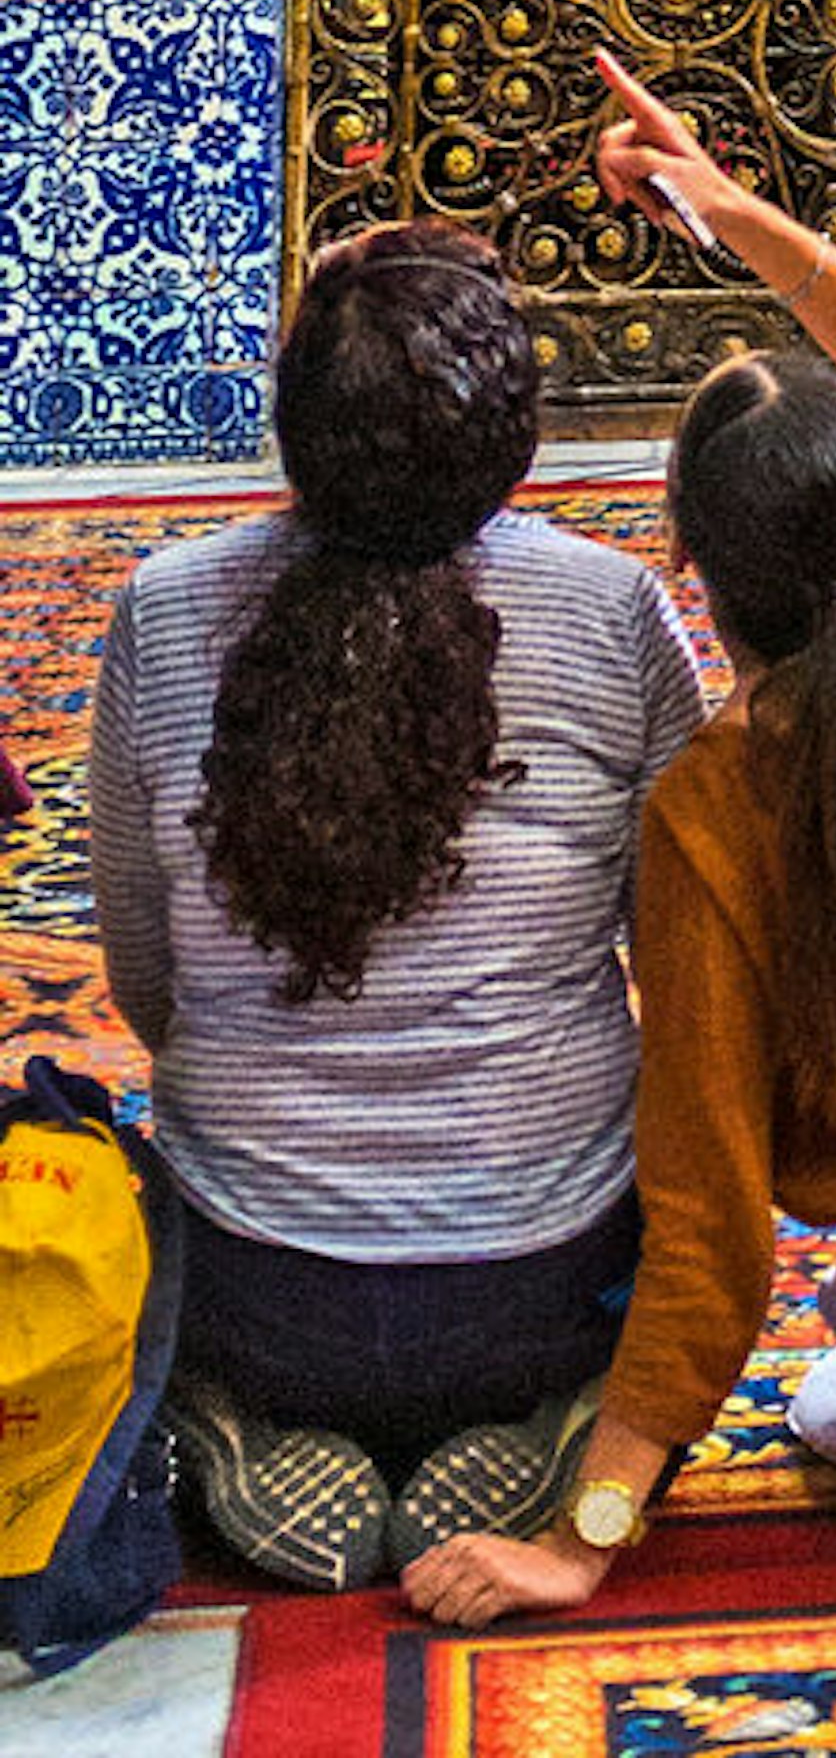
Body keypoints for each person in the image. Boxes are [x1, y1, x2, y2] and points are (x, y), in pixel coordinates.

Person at [400, 60, 836, 1630]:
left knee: (829, 1404)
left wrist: (584, 1533)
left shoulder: (714, 801)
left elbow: (712, 1235)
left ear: (693, 576)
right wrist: (734, 216)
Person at [86, 219, 703, 1590]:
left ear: (293, 432)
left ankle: (225, 1418)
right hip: (542, 1282)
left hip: (252, 1284)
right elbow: (686, 961)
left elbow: (143, 974)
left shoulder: (163, 606)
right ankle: (561, 1431)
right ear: (515, 437)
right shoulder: (616, 615)